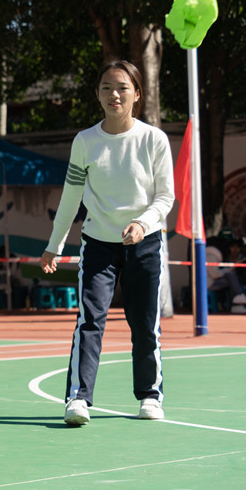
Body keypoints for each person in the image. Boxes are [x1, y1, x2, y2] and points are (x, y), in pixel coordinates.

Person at [40, 60, 175, 426]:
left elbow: (165, 198)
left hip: (145, 244)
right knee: (89, 320)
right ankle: (78, 399)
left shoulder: (154, 140)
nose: (113, 94)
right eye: (105, 87)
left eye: (122, 87)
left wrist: (142, 224)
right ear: (97, 94)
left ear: (137, 94)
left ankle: (150, 395)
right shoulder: (85, 141)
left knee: (145, 323)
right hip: (98, 245)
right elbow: (71, 197)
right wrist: (55, 244)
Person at [206, 238, 246, 313]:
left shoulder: (209, 255)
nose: (235, 249)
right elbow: (215, 274)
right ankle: (239, 297)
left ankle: (237, 302)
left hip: (209, 281)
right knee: (231, 276)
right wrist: (229, 269)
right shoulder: (211, 257)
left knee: (232, 279)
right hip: (209, 283)